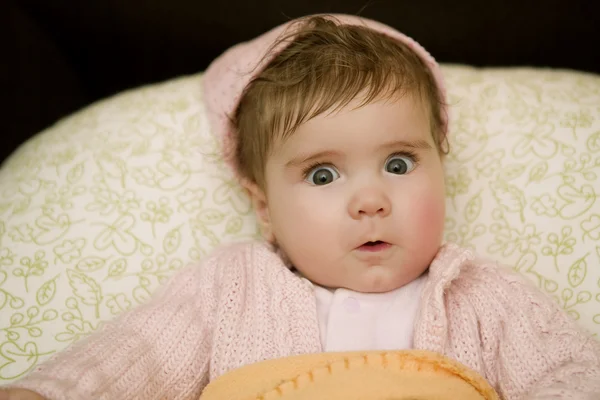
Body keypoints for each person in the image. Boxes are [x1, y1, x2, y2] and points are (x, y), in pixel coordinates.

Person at [1, 14, 599, 400]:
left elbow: (568, 375)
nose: (370, 201)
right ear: (263, 206)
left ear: (442, 165)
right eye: (322, 173)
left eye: (399, 164)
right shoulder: (232, 289)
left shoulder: (482, 295)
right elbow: (137, 357)